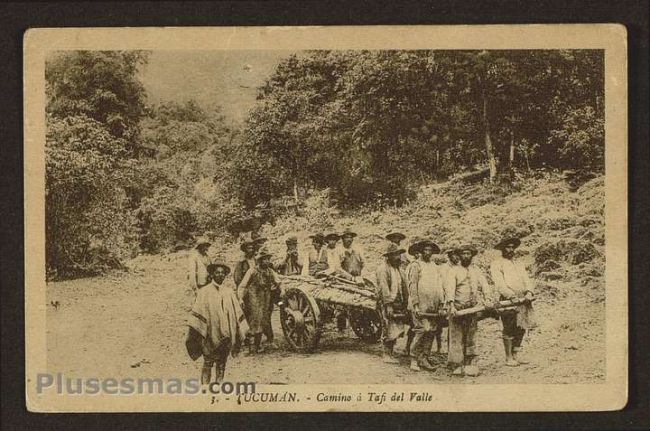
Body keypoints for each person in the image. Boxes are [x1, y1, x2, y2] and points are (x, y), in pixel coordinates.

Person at [186, 262, 248, 385]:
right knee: (208, 362)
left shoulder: (229, 292)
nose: (220, 275)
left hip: (226, 334)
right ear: (212, 274)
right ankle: (205, 387)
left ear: (225, 275)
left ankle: (218, 386)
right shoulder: (204, 292)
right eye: (217, 272)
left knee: (222, 362)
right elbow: (198, 312)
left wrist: (240, 329)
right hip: (210, 333)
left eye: (222, 273)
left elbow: (237, 312)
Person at [444, 245, 494, 377]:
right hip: (458, 308)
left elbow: (484, 285)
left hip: (473, 308)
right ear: (459, 256)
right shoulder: (453, 271)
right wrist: (451, 305)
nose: (466, 256)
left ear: (471, 256)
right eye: (463, 254)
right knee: (456, 336)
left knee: (471, 336)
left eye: (468, 254)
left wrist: (488, 298)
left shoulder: (476, 270)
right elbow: (449, 288)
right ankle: (457, 365)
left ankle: (469, 363)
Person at [490, 237, 536, 367]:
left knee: (521, 327)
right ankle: (508, 357)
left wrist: (529, 292)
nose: (510, 250)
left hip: (523, 299)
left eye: (512, 247)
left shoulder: (519, 263)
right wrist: (510, 295)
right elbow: (499, 283)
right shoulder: (497, 263)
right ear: (503, 249)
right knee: (509, 327)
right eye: (507, 247)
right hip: (508, 300)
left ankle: (516, 354)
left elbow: (527, 279)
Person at [406, 238, 445, 371]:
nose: (428, 253)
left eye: (430, 250)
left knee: (431, 331)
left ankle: (424, 358)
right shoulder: (415, 266)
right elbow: (412, 286)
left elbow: (439, 286)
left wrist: (441, 303)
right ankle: (413, 358)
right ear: (421, 252)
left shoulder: (434, 267)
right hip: (420, 305)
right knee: (422, 330)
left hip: (432, 305)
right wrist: (415, 304)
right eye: (425, 250)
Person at [238, 246, 281, 354]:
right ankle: (254, 347)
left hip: (266, 297)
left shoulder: (270, 271)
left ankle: (266, 342)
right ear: (260, 260)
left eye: (268, 259)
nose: (267, 261)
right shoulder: (252, 271)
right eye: (265, 259)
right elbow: (242, 286)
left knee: (265, 318)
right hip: (254, 297)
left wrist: (278, 288)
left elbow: (278, 281)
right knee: (256, 319)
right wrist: (240, 298)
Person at [375, 243, 410, 364]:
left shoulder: (400, 269)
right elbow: (384, 288)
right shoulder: (383, 269)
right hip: (388, 302)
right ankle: (387, 354)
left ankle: (400, 349)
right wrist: (388, 304)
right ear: (389, 257)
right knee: (388, 326)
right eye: (395, 255)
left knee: (397, 326)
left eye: (399, 255)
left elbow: (404, 286)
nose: (398, 257)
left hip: (399, 301)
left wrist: (406, 302)